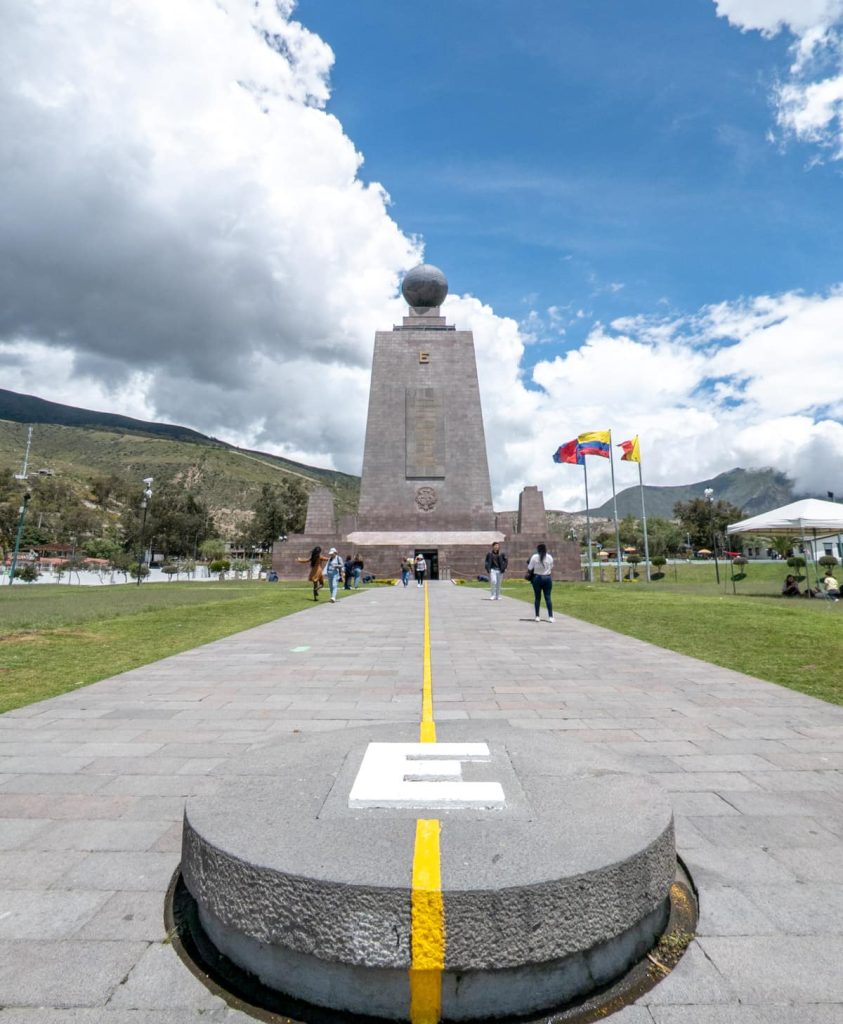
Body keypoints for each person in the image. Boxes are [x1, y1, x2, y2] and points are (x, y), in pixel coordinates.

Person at [527, 543, 554, 622]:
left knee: (537, 598)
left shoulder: (535, 557)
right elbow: (551, 566)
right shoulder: (549, 557)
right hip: (547, 578)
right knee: (548, 597)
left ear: (538, 550)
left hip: (537, 578)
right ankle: (550, 616)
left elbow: (530, 568)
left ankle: (537, 616)